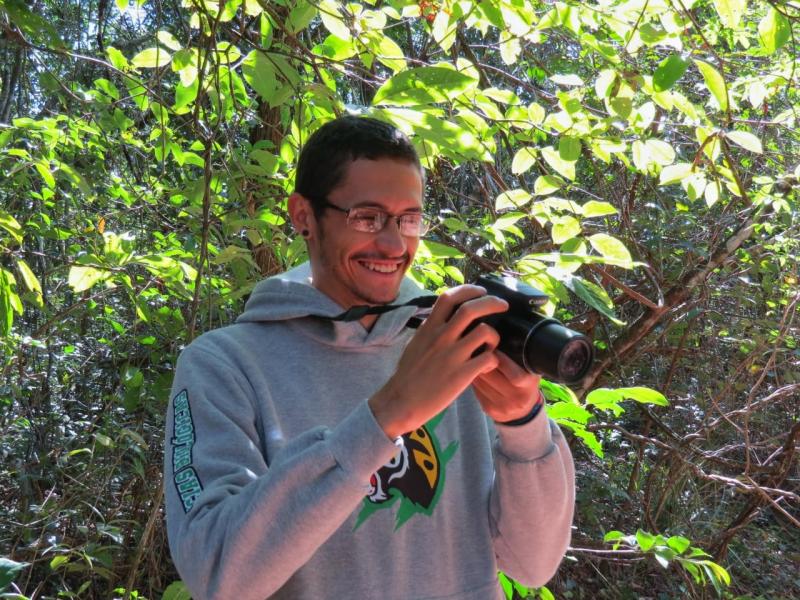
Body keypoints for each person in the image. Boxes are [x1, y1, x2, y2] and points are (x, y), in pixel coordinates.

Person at [164, 116, 575, 600]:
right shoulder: (223, 365)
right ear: (303, 216)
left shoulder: (448, 344)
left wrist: (524, 425)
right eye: (367, 217)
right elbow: (218, 576)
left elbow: (533, 565)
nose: (394, 244)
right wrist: (389, 414)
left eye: (409, 219)